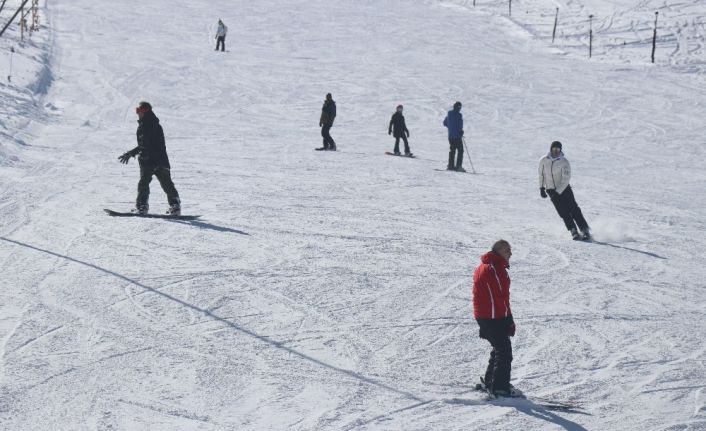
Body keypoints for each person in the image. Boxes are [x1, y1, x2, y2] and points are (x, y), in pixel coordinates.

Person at [472, 239, 520, 397]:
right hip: (492, 316)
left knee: (499, 348)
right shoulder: (494, 268)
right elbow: (500, 297)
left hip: (487, 315)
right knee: (504, 351)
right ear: (498, 251)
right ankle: (499, 388)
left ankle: (491, 381)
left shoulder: (485, 266)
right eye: (507, 250)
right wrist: (508, 319)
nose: (510, 253)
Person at [118, 102, 181, 215]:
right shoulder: (157, 125)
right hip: (162, 160)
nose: (138, 114)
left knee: (144, 184)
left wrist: (130, 153)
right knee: (167, 184)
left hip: (148, 161)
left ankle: (142, 207)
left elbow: (144, 145)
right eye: (137, 111)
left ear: (145, 111)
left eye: (139, 111)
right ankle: (175, 206)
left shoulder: (144, 126)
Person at [538, 141, 591, 240]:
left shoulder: (564, 162)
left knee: (574, 209)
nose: (556, 151)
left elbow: (566, 178)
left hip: (564, 189)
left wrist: (558, 191)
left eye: (558, 149)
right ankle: (573, 230)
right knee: (563, 212)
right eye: (554, 149)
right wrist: (541, 188)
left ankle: (585, 230)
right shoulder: (543, 160)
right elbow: (541, 174)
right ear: (551, 149)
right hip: (551, 191)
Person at [443, 101, 464, 172]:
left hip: (450, 136)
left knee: (452, 150)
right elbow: (460, 125)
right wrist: (461, 132)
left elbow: (445, 123)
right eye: (460, 107)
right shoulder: (459, 115)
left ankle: (450, 165)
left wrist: (451, 127)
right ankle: (458, 166)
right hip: (457, 136)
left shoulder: (449, 113)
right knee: (460, 150)